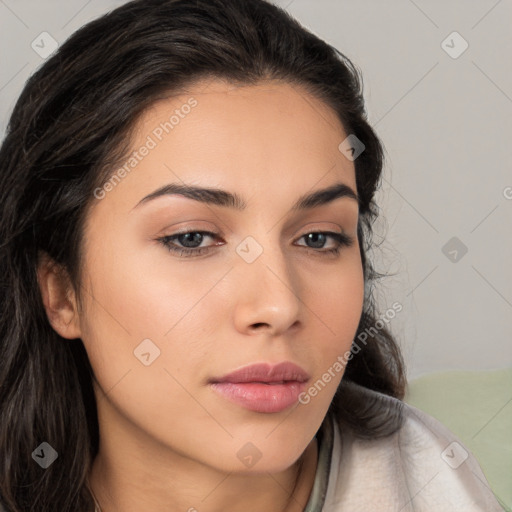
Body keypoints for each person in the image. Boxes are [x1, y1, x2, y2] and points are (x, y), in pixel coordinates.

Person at [0, 0, 505, 511]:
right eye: (192, 238)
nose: (280, 306)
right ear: (61, 292)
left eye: (318, 238)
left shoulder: (434, 484)